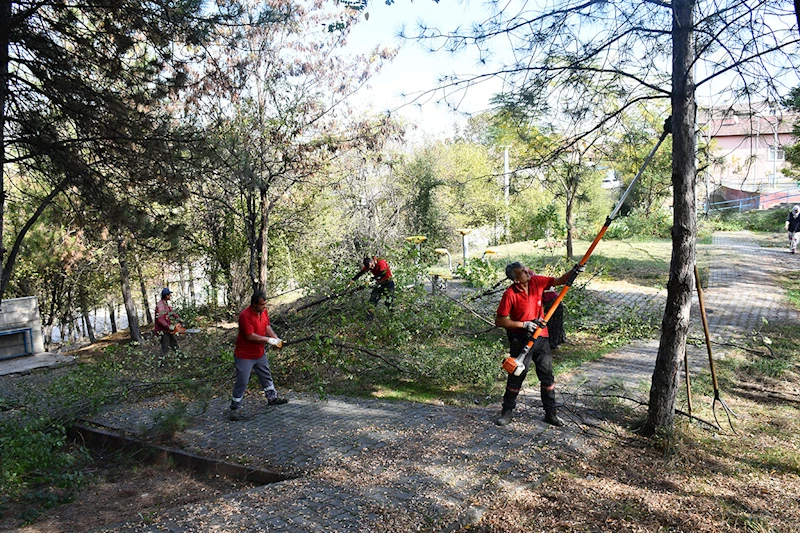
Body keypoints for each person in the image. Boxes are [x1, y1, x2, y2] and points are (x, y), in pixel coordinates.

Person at [494, 261, 584, 427]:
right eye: (522, 271)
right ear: (516, 280)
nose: (527, 271)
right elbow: (500, 320)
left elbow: (560, 280)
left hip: (541, 337)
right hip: (521, 340)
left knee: (547, 376)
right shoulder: (510, 294)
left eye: (525, 268)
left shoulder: (536, 281)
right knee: (516, 375)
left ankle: (551, 414)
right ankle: (506, 412)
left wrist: (575, 270)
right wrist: (524, 324)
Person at [229, 291, 288, 421]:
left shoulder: (264, 312)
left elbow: (267, 327)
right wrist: (268, 340)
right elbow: (250, 336)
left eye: (265, 304)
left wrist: (276, 339)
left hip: (259, 353)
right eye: (262, 305)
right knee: (242, 381)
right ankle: (235, 408)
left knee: (266, 375)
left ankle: (272, 398)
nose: (264, 307)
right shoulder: (245, 316)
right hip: (245, 355)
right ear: (254, 304)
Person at [154, 288, 182, 355]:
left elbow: (171, 312)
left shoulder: (165, 304)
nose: (170, 296)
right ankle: (161, 364)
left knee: (174, 344)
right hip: (162, 331)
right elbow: (160, 320)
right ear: (166, 296)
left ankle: (180, 357)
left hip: (167, 330)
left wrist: (179, 319)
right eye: (170, 295)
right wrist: (169, 327)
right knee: (165, 348)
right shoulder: (160, 305)